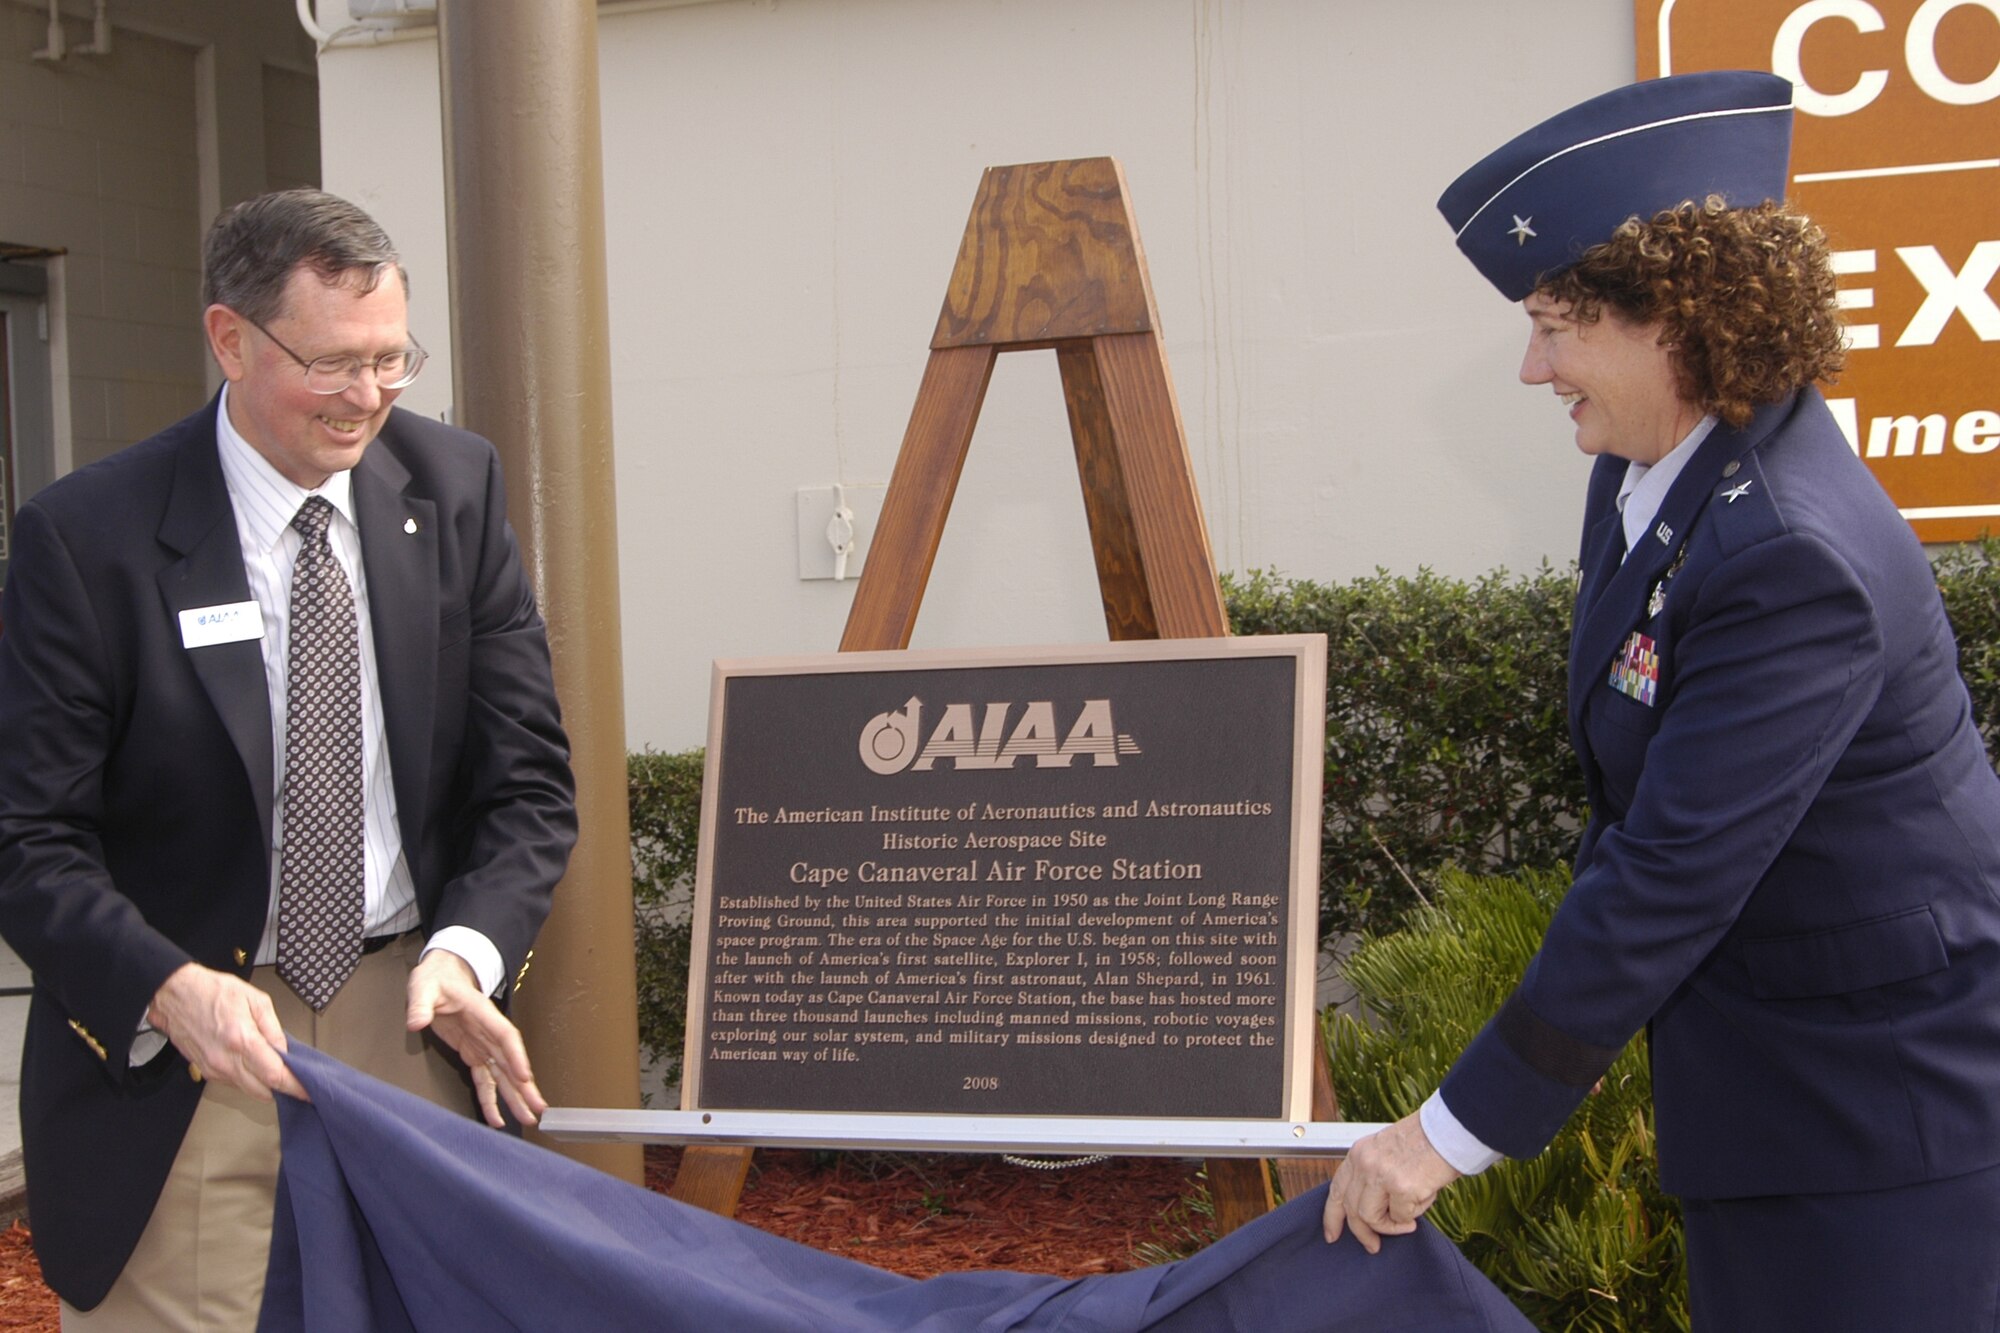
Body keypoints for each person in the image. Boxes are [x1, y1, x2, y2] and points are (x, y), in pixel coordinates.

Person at [1322, 71, 2000, 1327]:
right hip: (1772, 1086)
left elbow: (1672, 867)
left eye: (1555, 323)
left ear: (1677, 323)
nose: (1532, 367)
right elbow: (1633, 803)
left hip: (1876, 1123)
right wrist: (1562, 1046)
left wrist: (1445, 1133)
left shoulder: (1789, 551)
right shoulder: (1658, 471)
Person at [0, 189, 578, 1327]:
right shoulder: (89, 537)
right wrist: (167, 989)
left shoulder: (454, 491)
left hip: (409, 1019)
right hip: (188, 1047)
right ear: (230, 339)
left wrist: (465, 952)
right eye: (330, 363)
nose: (367, 397)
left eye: (390, 359)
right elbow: (28, 836)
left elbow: (526, 783)